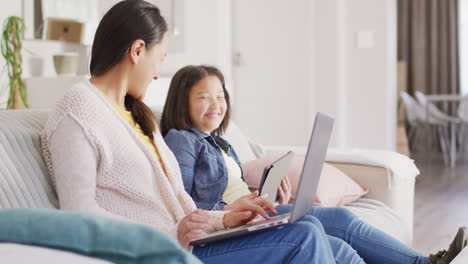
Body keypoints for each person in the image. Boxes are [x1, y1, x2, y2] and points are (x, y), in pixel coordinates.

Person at [40, 1, 355, 263]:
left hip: (189, 243)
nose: (155, 75)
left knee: (314, 227)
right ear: (137, 50)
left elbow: (181, 210)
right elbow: (78, 213)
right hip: (158, 253)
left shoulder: (136, 116)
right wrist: (170, 235)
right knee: (304, 236)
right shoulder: (77, 111)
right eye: (159, 59)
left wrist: (227, 219)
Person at [161, 64, 468, 264]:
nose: (216, 104)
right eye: (204, 97)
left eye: (220, 95)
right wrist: (229, 212)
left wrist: (266, 196)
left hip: (245, 215)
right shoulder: (182, 141)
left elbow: (231, 190)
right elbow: (185, 204)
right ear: (182, 101)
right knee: (328, 227)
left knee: (339, 230)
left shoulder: (220, 144)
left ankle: (427, 263)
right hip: (225, 227)